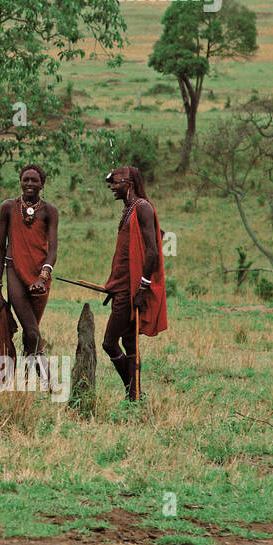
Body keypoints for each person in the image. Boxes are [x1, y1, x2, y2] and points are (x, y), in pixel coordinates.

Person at [102, 165, 169, 401]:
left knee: (109, 343)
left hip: (131, 290)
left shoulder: (142, 207)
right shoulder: (131, 208)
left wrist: (142, 287)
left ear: (129, 183)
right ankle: (135, 396)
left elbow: (153, 251)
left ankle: (132, 390)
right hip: (122, 287)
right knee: (129, 341)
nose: (112, 187)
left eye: (116, 182)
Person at [0, 163, 59, 386]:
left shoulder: (50, 211)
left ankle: (20, 385)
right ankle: (51, 386)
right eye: (26, 179)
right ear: (20, 181)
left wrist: (43, 277)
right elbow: (1, 248)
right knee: (31, 331)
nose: (29, 184)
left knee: (31, 334)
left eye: (34, 180)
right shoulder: (8, 207)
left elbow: (53, 251)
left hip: (40, 279)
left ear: (42, 184)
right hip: (14, 272)